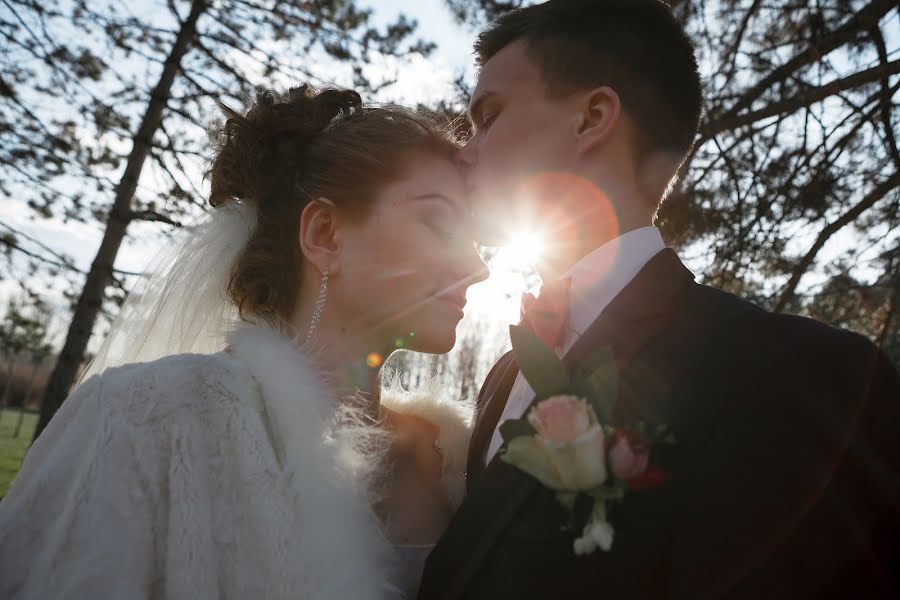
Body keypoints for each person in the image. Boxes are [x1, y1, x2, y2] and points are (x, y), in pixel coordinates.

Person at [419, 1, 900, 598]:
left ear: (592, 117)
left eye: (489, 116)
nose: (465, 153)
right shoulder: (503, 378)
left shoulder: (792, 374)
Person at [0, 85, 488, 599]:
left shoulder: (453, 464)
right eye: (438, 222)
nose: (477, 268)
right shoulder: (142, 418)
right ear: (325, 235)